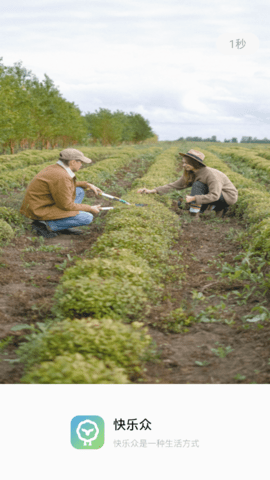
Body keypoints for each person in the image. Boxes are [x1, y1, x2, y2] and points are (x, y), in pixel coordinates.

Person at [20, 148, 103, 238]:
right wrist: (90, 208)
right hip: (39, 210)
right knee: (87, 217)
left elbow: (64, 186)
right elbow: (66, 205)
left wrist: (86, 185)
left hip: (42, 204)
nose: (82, 165)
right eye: (80, 162)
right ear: (73, 162)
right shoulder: (61, 176)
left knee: (79, 190)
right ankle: (47, 224)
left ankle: (61, 223)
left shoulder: (56, 169)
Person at [137, 149, 238, 218]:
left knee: (198, 185)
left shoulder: (211, 175)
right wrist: (153, 191)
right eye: (183, 163)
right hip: (213, 195)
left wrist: (194, 198)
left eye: (186, 163)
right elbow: (176, 185)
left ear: (195, 163)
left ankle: (195, 214)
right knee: (182, 204)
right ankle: (217, 208)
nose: (183, 165)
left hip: (227, 196)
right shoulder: (191, 172)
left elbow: (215, 195)